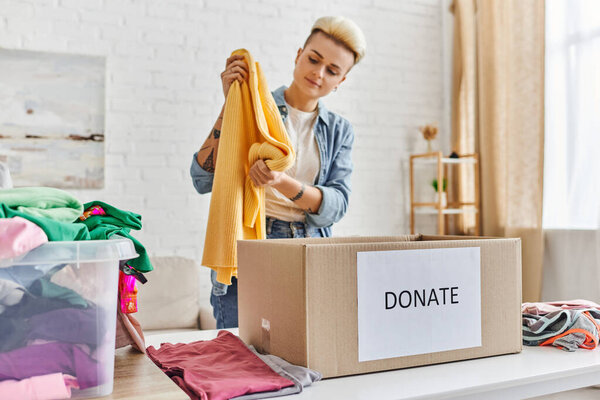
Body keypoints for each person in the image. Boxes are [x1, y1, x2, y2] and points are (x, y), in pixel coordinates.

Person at [190, 16, 366, 329]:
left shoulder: (340, 131)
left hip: (308, 248)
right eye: (313, 59)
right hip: (247, 246)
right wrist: (230, 105)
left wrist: (281, 182)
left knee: (307, 354)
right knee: (239, 357)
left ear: (341, 81)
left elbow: (337, 204)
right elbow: (202, 179)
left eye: (332, 70)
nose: (318, 73)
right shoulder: (255, 107)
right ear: (298, 55)